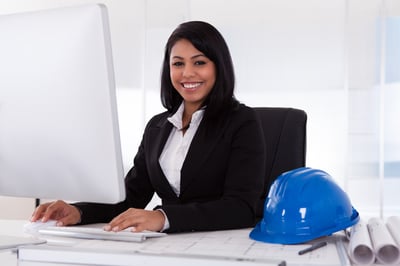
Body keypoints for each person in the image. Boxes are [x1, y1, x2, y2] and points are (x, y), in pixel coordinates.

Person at [31, 21, 266, 233]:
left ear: (219, 67)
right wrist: (79, 211)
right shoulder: (158, 127)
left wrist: (163, 217)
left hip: (221, 244)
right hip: (165, 246)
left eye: (199, 62)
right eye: (178, 63)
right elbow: (131, 197)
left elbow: (241, 207)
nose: (187, 73)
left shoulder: (242, 121)